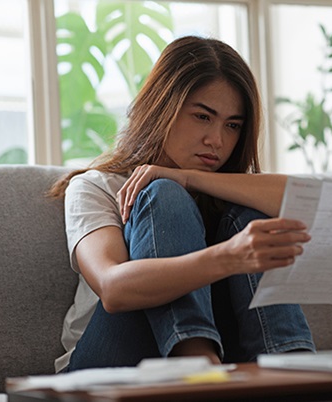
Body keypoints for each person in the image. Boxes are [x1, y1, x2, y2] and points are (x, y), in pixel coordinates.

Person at [48, 35, 316, 372]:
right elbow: (112, 288)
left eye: (232, 125)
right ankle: (196, 362)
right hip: (107, 368)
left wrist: (190, 178)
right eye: (203, 117)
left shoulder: (226, 190)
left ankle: (291, 371)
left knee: (249, 217)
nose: (216, 140)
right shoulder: (96, 186)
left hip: (225, 369)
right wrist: (229, 256)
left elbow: (307, 201)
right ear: (162, 107)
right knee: (163, 195)